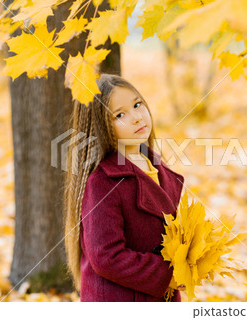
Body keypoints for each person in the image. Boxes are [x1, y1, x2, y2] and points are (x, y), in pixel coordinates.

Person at [63, 73, 186, 302]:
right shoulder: (103, 182)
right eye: (120, 115)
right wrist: (167, 274)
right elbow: (106, 256)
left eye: (137, 105)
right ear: (101, 127)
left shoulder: (156, 164)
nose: (137, 118)